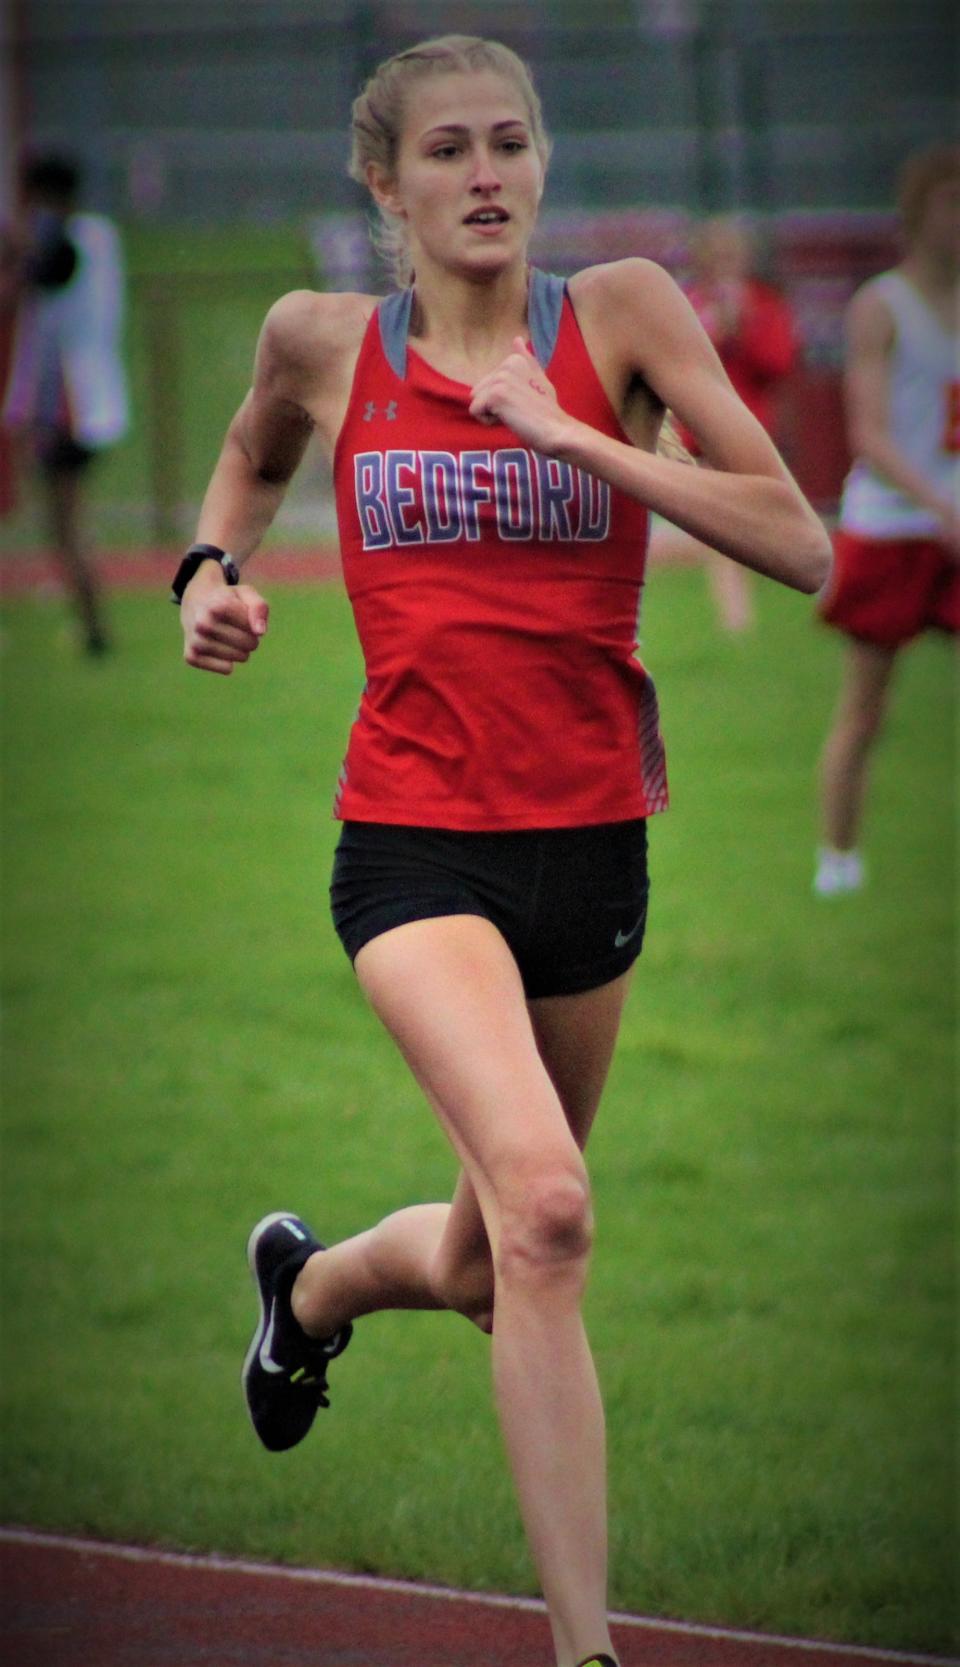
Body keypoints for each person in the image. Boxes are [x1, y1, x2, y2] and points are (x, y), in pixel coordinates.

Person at [172, 36, 829, 1667]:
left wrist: (581, 439)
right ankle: (588, 1650)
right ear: (385, 186)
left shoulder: (622, 317)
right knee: (547, 1211)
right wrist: (208, 567)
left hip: (595, 844)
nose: (486, 175)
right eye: (448, 150)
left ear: (542, 167)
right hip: (413, 846)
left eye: (512, 144)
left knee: (483, 1263)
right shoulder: (324, 343)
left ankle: (310, 1292)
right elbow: (253, 455)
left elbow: (800, 543)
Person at [814, 144, 959, 898]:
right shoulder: (883, 305)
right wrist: (938, 506)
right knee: (865, 709)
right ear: (918, 213)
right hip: (894, 526)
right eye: (950, 203)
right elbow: (868, 431)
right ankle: (838, 860)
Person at [1, 152, 129, 655]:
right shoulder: (99, 237)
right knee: (63, 521)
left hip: (69, 402)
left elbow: (44, 271)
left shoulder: (71, 242)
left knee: (65, 522)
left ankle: (94, 626)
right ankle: (89, 621)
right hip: (82, 397)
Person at [649, 215, 799, 631]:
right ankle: (737, 619)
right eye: (719, 256)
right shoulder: (688, 304)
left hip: (751, 430)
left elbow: (778, 362)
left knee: (742, 529)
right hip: (700, 435)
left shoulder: (765, 304)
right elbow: (672, 362)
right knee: (722, 527)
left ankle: (740, 614)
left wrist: (745, 326)